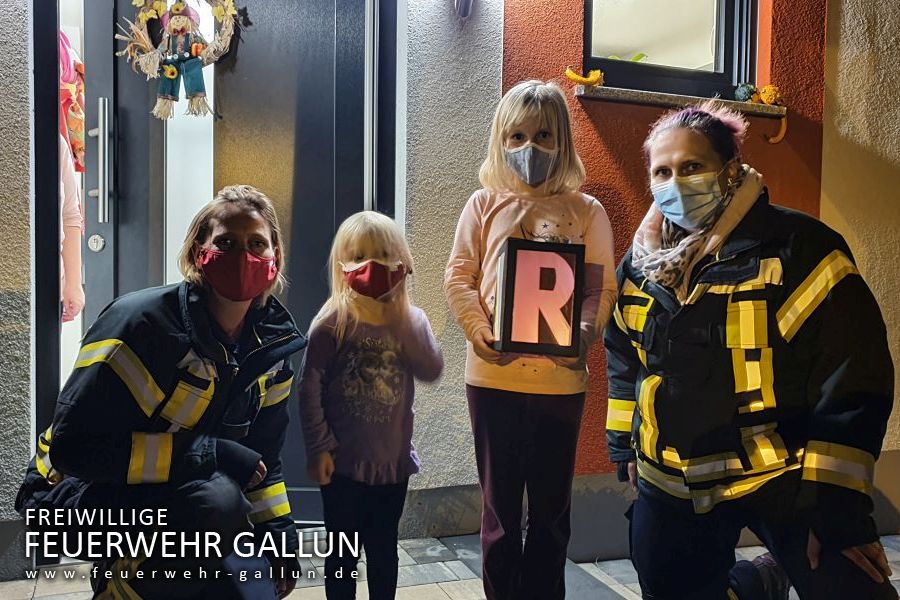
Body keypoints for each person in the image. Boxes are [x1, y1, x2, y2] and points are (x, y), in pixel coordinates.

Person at [605, 101, 897, 599]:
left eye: (692, 167)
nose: (676, 182)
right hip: (671, 481)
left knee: (853, 587)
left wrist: (838, 512)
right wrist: (623, 446)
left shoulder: (799, 248)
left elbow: (851, 377)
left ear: (730, 170)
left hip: (782, 475)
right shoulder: (641, 262)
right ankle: (757, 583)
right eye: (663, 171)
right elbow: (624, 355)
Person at [17, 185, 306, 599]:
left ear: (274, 260)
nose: (243, 255)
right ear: (196, 254)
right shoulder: (139, 324)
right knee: (218, 501)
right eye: (225, 242)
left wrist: (280, 541)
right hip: (68, 495)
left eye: (256, 244)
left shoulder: (271, 350)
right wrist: (209, 454)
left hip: (178, 494)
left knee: (252, 587)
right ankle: (120, 583)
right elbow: (73, 450)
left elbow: (265, 463)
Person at [444, 79, 617, 600]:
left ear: (562, 140)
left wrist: (586, 331)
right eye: (516, 136)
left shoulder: (587, 211)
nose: (529, 148)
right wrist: (477, 330)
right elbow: (459, 276)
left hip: (560, 386)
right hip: (492, 380)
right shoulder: (482, 204)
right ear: (499, 139)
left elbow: (599, 286)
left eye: (543, 135)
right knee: (497, 511)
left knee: (550, 512)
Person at [299, 211, 443, 600]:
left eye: (382, 255)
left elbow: (431, 368)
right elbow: (308, 388)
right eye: (360, 256)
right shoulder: (333, 321)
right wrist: (320, 446)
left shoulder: (412, 319)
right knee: (342, 555)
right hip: (342, 464)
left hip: (391, 464)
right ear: (343, 264)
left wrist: (404, 323)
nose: (373, 265)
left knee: (383, 551)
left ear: (401, 261)